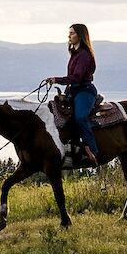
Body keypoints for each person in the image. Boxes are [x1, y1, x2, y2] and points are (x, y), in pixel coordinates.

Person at [45, 23, 100, 165]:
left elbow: (77, 78)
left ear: (80, 35)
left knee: (80, 117)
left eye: (72, 33)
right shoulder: (75, 54)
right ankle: (70, 149)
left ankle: (93, 150)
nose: (69, 36)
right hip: (73, 91)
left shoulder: (84, 55)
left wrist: (57, 80)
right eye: (69, 33)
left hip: (84, 91)